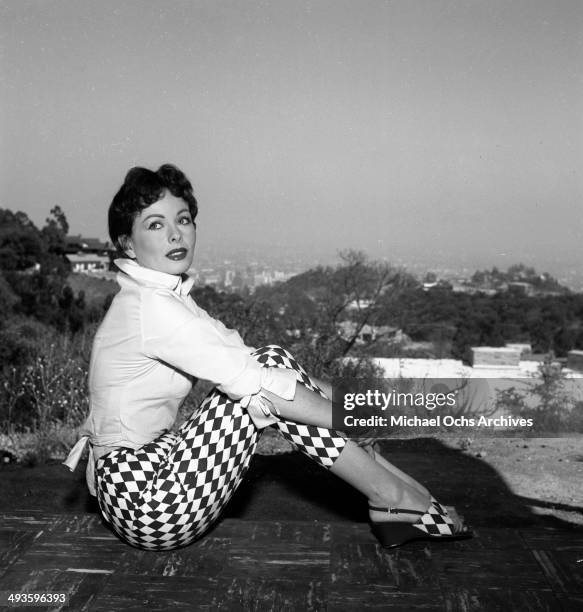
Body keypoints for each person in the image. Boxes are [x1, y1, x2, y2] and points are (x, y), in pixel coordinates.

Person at [64, 163, 471, 551]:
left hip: (146, 476)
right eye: (156, 225)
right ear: (126, 244)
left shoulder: (162, 298)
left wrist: (353, 408)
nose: (175, 235)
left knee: (269, 365)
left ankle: (400, 494)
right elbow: (261, 385)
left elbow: (251, 360)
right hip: (145, 503)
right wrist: (351, 416)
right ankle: (391, 496)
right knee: (264, 385)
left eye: (183, 219)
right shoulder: (151, 308)